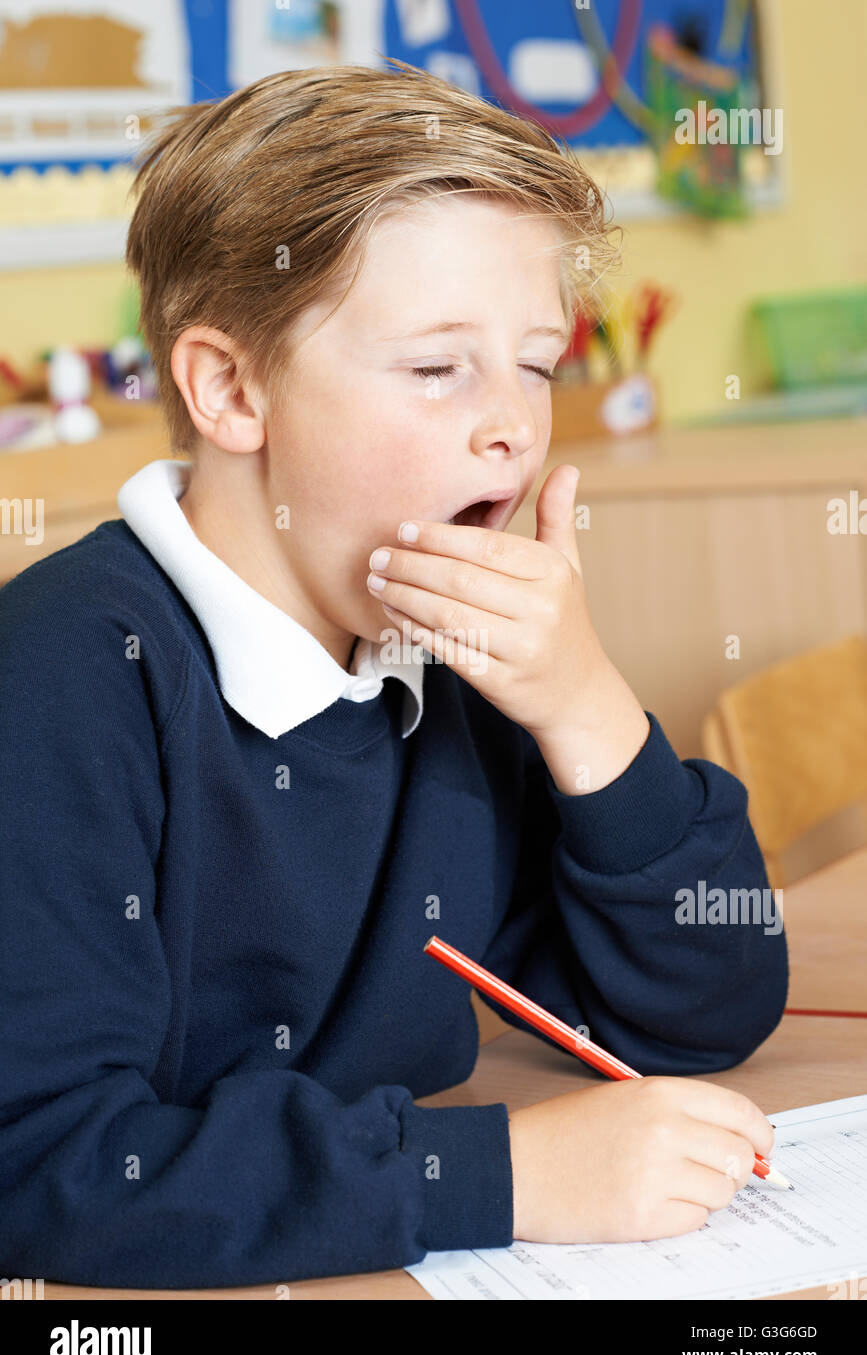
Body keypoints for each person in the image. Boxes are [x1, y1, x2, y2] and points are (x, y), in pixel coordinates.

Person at [0, 59, 786, 1289]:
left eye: (536, 362)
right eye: (437, 369)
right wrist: (500, 1175)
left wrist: (587, 710)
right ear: (229, 387)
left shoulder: (448, 656)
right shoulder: (64, 678)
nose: (514, 429)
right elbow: (44, 1161)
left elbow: (701, 1012)